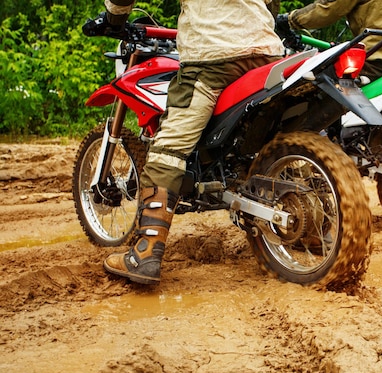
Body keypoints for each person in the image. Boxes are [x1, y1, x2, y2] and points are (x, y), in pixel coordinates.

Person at [85, 0, 285, 285]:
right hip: (267, 53)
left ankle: (146, 253)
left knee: (169, 148)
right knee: (271, 138)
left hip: (213, 55)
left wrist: (114, 18)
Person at [275, 0, 382, 81]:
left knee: (312, 82)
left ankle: (308, 135)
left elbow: (327, 9)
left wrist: (288, 20)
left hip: (379, 57)